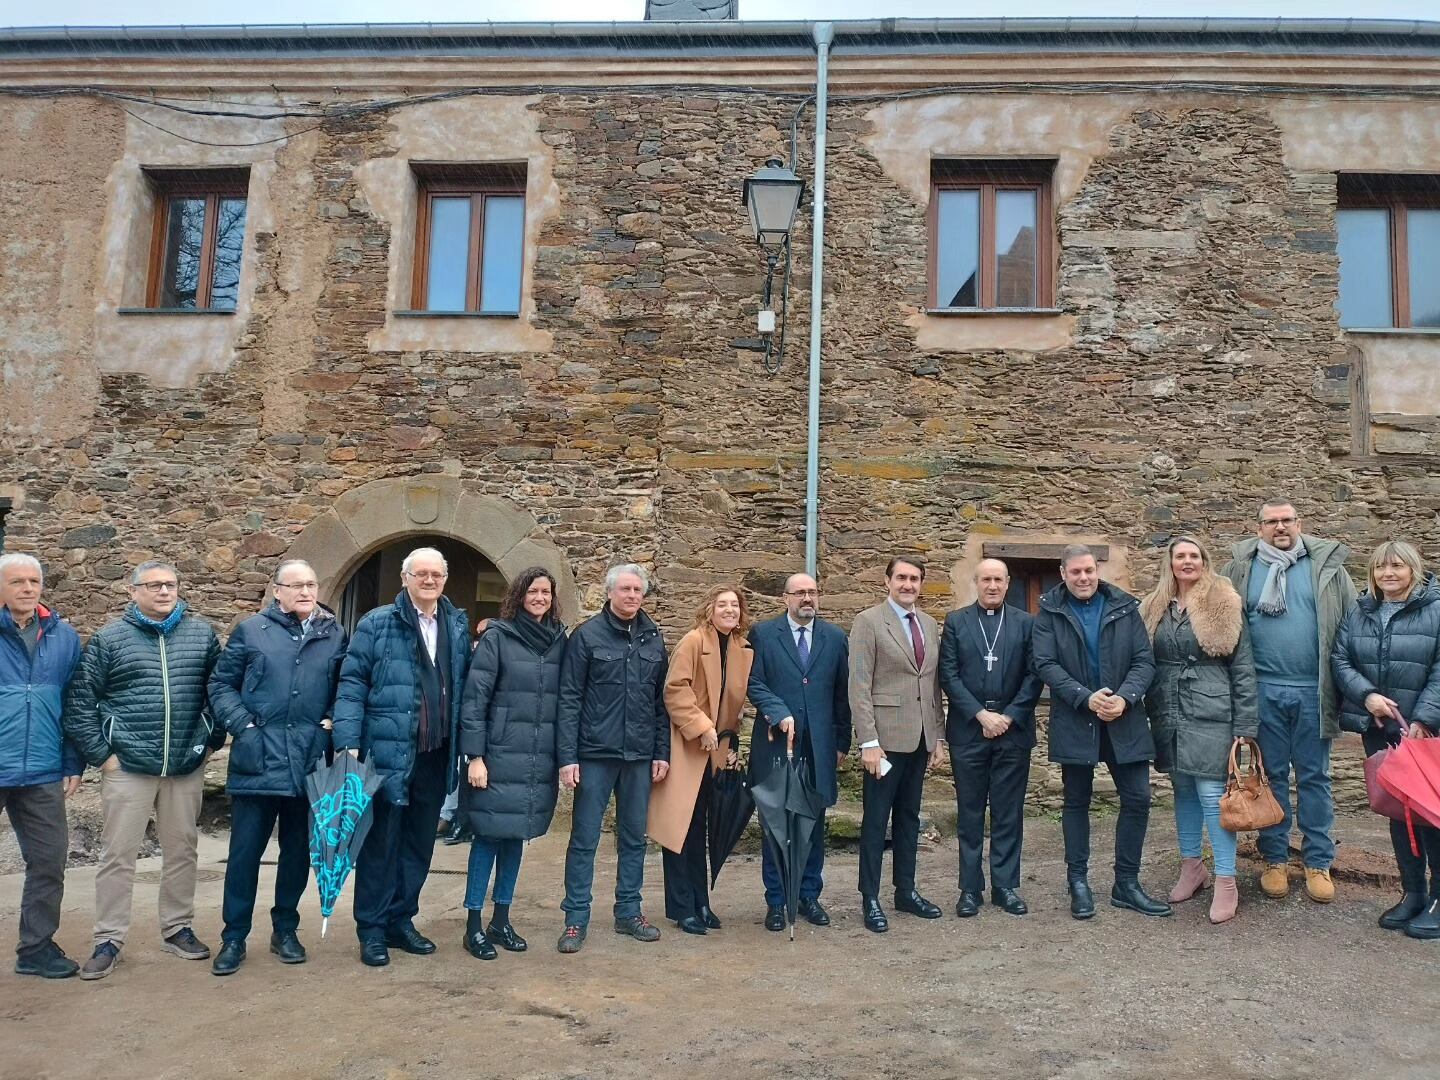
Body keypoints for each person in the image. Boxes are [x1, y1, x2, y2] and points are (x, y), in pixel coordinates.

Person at [64, 560, 224, 980]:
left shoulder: (201, 634)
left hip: (184, 765)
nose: (164, 592)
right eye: (153, 585)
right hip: (128, 766)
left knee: (183, 850)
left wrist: (209, 740)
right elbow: (81, 702)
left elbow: (220, 690)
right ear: (133, 591)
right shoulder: (109, 639)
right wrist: (104, 755)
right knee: (118, 854)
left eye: (170, 584)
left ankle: (177, 928)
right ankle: (109, 938)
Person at [206, 559, 348, 975]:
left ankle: (285, 929)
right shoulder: (252, 631)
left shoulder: (333, 634)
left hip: (307, 758)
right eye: (296, 585)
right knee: (245, 854)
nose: (306, 591)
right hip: (258, 757)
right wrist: (244, 727)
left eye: (311, 584)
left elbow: (347, 686)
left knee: (297, 853)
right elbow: (220, 684)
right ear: (277, 591)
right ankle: (233, 937)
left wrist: (329, 725)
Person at [332, 547, 470, 968]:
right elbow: (352, 683)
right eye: (421, 574)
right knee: (381, 844)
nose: (429, 581)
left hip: (436, 754)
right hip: (387, 752)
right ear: (404, 578)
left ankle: (401, 920)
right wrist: (347, 740)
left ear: (445, 579)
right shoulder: (377, 623)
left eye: (436, 574)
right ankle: (371, 929)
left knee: (418, 844)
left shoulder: (457, 624)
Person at [1221, 499, 1356, 903]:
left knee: (1315, 777)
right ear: (1259, 527)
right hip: (1263, 690)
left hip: (1314, 690)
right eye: (1271, 521)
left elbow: (1351, 625)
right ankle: (1275, 859)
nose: (1280, 527)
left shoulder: (1328, 569)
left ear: (1299, 523)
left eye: (1287, 520)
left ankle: (1317, 862)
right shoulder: (1239, 570)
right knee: (1271, 777)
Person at [1032, 545, 1169, 920]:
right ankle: (1078, 883)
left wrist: (1125, 698)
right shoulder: (1050, 611)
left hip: (1124, 718)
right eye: (1075, 572)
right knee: (1076, 802)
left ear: (1098, 570)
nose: (1083, 578)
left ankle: (1127, 883)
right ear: (1062, 573)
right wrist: (1083, 697)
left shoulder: (1125, 608)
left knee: (1138, 799)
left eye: (1089, 570)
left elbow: (1144, 660)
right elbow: (1044, 662)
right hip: (1077, 718)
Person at [1139, 537, 1258, 925]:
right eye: (1180, 556)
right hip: (1167, 707)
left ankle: (1226, 880)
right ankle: (1193, 867)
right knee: (1183, 789)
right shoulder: (1154, 605)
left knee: (1211, 794)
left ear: (1204, 562)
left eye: (1194, 556)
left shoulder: (1223, 600)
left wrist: (1245, 725)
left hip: (1211, 709)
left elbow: (1242, 667)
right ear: (1169, 563)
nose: (1187, 562)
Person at [555, 563, 670, 953]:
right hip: (594, 755)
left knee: (634, 838)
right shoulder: (586, 637)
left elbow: (660, 704)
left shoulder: (654, 639)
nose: (632, 596)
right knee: (584, 839)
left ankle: (628, 912)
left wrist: (661, 752)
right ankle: (575, 920)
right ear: (609, 592)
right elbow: (569, 699)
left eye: (638, 590)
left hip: (638, 757)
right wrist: (567, 758)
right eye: (625, 589)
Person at [1331, 540, 1440, 939]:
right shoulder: (1362, 612)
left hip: (1427, 732)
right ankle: (1413, 892)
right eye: (1381, 568)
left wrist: (1426, 717)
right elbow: (1340, 659)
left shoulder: (1435, 609)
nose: (1388, 574)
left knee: (1433, 815)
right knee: (1399, 813)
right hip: (1383, 729)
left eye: (1397, 566)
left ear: (1414, 569)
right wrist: (1367, 696)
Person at [456, 569, 567, 961]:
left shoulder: (558, 641)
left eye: (546, 592)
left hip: (537, 757)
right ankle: (473, 924)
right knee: (487, 837)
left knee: (515, 837)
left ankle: (500, 920)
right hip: (498, 755)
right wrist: (476, 756)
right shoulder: (497, 638)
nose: (540, 597)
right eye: (533, 591)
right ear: (519, 595)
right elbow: (475, 700)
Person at [747, 572, 851, 931]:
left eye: (812, 592)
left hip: (819, 746)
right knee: (776, 824)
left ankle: (808, 894)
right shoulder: (763, 634)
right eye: (800, 593)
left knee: (813, 824)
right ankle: (777, 900)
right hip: (777, 743)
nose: (807, 598)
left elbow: (842, 696)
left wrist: (841, 743)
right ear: (785, 598)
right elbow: (754, 682)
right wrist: (778, 712)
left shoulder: (835, 638)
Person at [939, 558, 1042, 918]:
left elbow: (1034, 675)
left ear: (1008, 582)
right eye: (986, 580)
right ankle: (969, 889)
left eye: (999, 580)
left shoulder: (1026, 623)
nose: (993, 586)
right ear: (977, 582)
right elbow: (948, 675)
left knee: (1008, 813)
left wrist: (1009, 716)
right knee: (969, 814)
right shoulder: (956, 622)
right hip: (969, 731)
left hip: (1012, 733)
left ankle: (1005, 886)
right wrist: (980, 715)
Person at [649, 585, 753, 935]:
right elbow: (674, 690)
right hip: (688, 747)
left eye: (734, 605)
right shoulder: (693, 641)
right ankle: (682, 907)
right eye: (722, 604)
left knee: (704, 828)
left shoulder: (741, 648)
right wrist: (701, 726)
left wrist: (731, 744)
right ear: (709, 609)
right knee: (681, 829)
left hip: (717, 752)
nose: (729, 610)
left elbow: (734, 706)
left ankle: (701, 902)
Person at [849, 556, 945, 933]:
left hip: (920, 738)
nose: (908, 584)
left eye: (915, 579)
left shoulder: (929, 624)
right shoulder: (868, 622)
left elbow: (932, 686)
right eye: (901, 578)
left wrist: (937, 736)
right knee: (876, 822)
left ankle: (905, 890)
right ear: (888, 581)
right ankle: (869, 897)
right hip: (884, 743)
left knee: (908, 819)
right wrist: (868, 742)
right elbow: (859, 685)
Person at [0, 553, 83, 978]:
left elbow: (74, 705)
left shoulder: (63, 637)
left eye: (34, 581)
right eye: (17, 581)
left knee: (50, 861)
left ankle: (35, 949)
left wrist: (72, 760)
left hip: (44, 770)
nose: (28, 588)